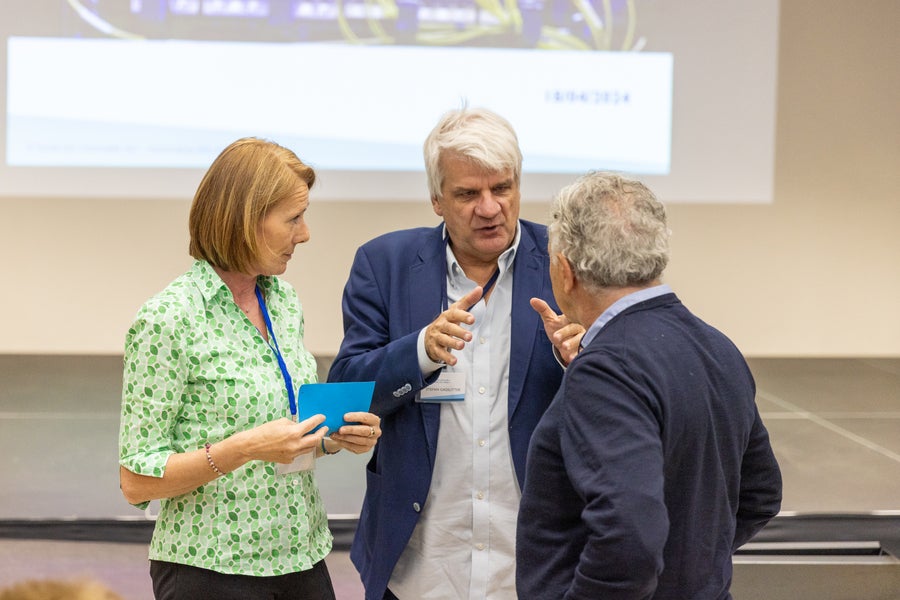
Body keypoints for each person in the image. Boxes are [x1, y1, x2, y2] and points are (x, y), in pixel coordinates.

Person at [327, 106, 584, 599]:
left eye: (502, 188)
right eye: (468, 194)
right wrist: (419, 352)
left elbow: (619, 391)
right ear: (436, 200)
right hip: (420, 563)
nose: (489, 208)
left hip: (533, 564)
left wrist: (582, 359)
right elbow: (345, 392)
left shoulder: (567, 260)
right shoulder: (385, 264)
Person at [118, 137, 382, 600]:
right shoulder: (168, 318)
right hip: (211, 567)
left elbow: (281, 440)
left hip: (300, 555)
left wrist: (334, 438)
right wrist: (243, 448)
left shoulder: (283, 302)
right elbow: (136, 481)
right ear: (245, 220)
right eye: (293, 219)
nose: (305, 234)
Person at [516, 172, 783, 599]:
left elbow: (630, 539)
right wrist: (688, 564)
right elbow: (761, 494)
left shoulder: (605, 369)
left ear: (565, 271)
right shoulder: (717, 347)